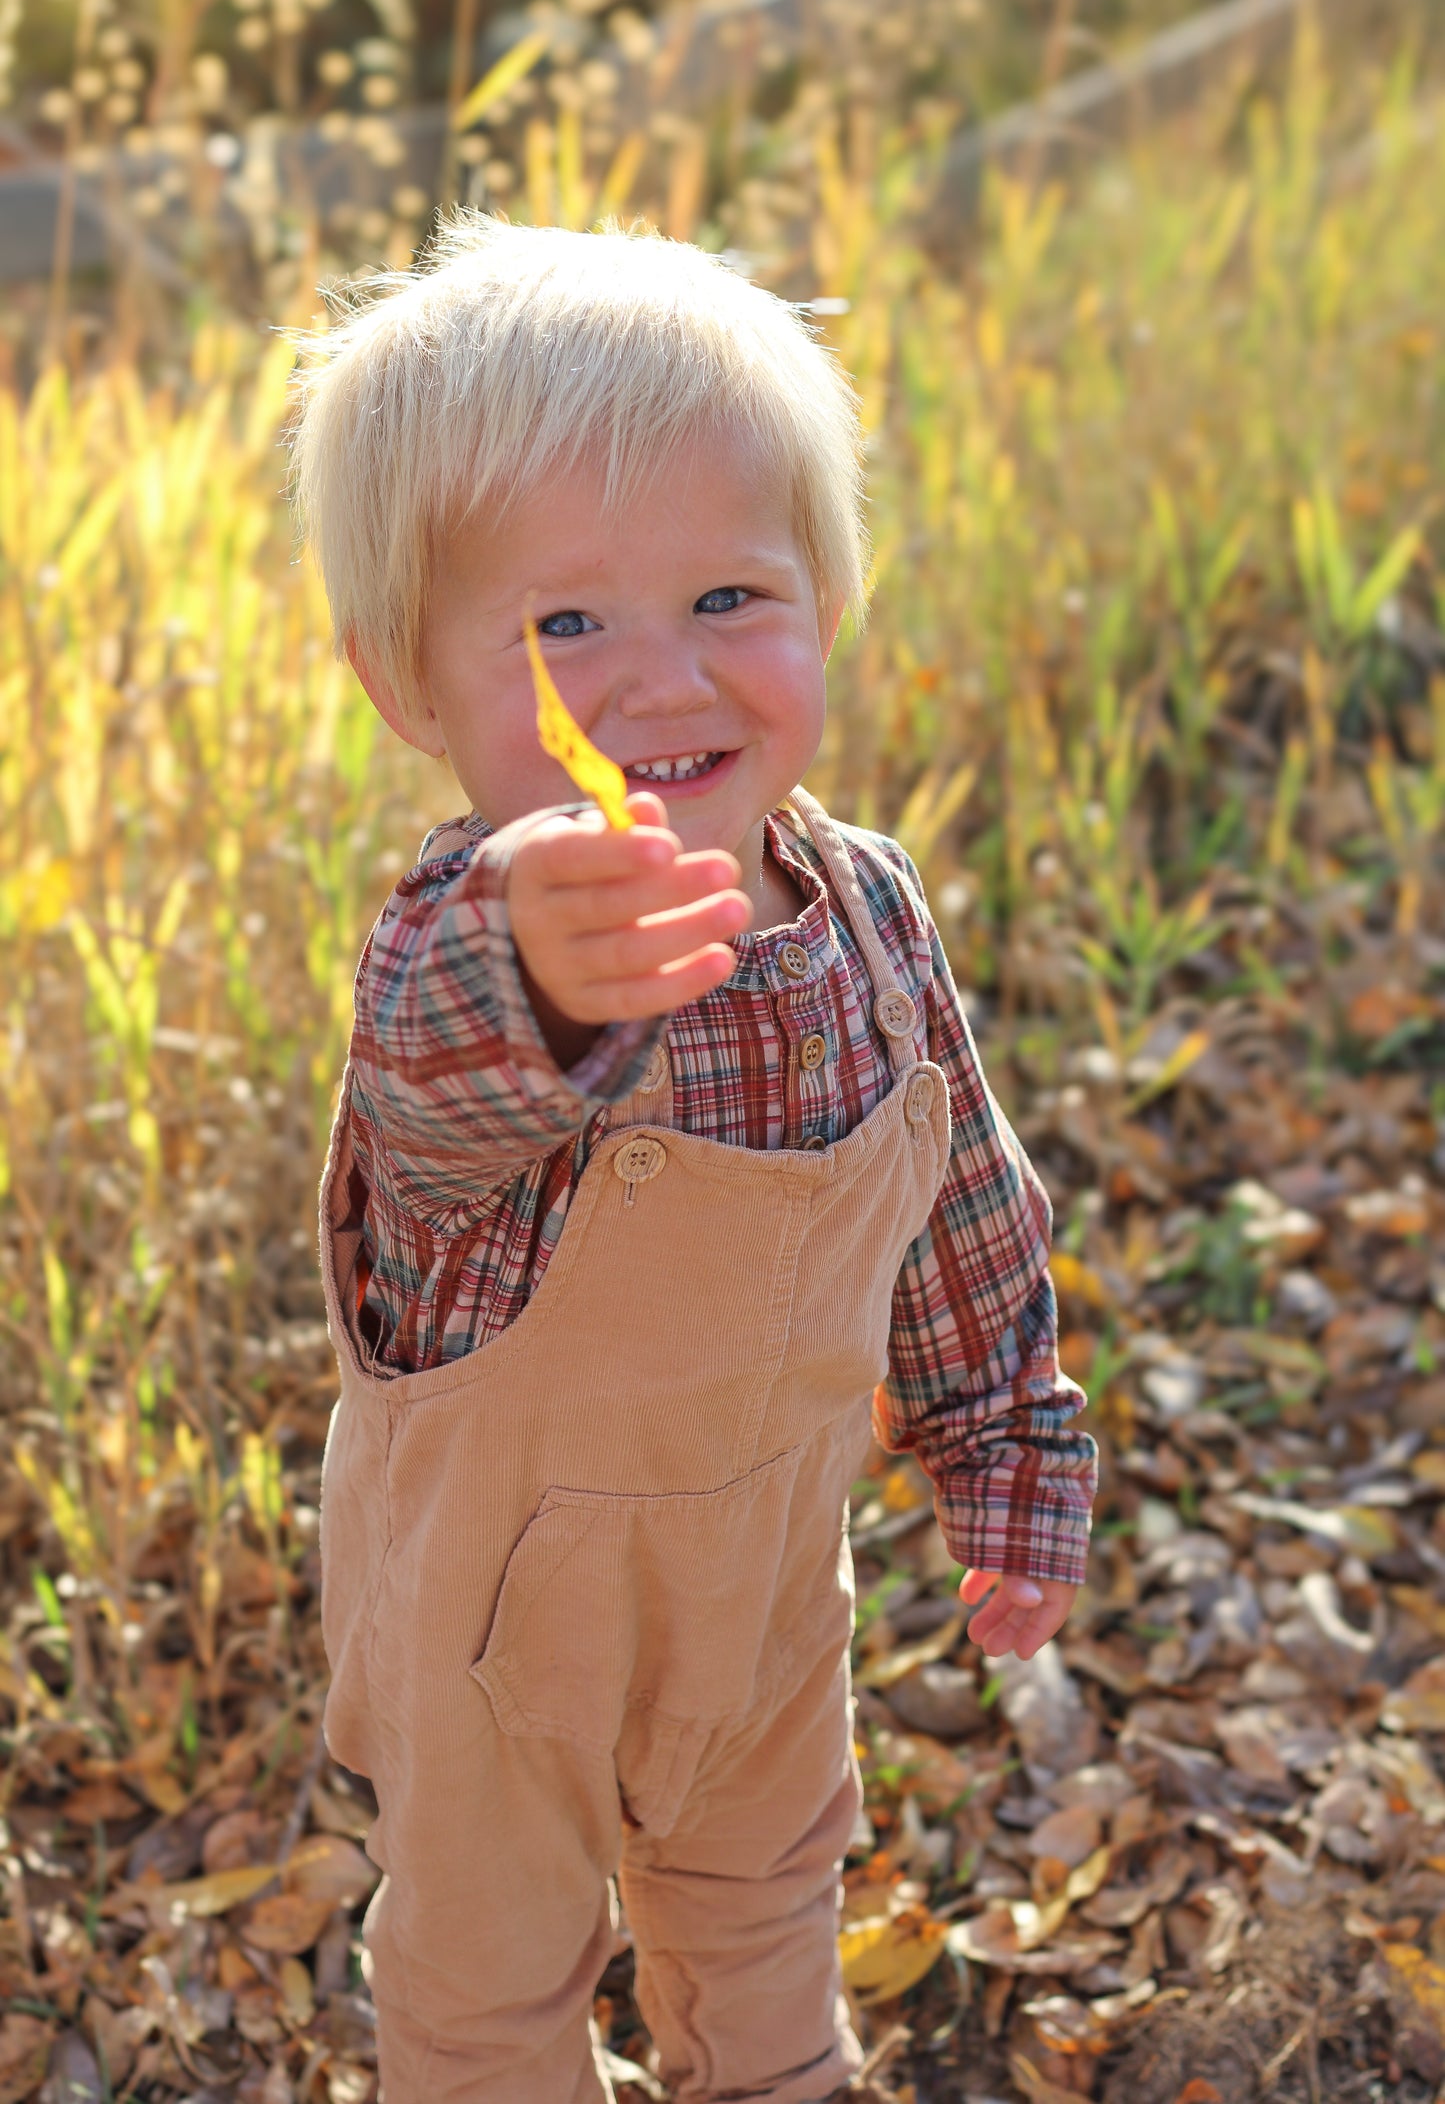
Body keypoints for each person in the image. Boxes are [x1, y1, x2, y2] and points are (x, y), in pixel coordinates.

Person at [288, 213, 1097, 2104]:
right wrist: (536, 968)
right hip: (501, 1642)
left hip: (761, 1585)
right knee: (488, 1986)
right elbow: (431, 1096)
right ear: (407, 682)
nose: (659, 685)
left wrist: (1003, 1444)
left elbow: (961, 1201)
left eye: (730, 599)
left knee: (763, 1905)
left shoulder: (869, 913)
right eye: (564, 623)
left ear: (830, 598)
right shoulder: (454, 952)